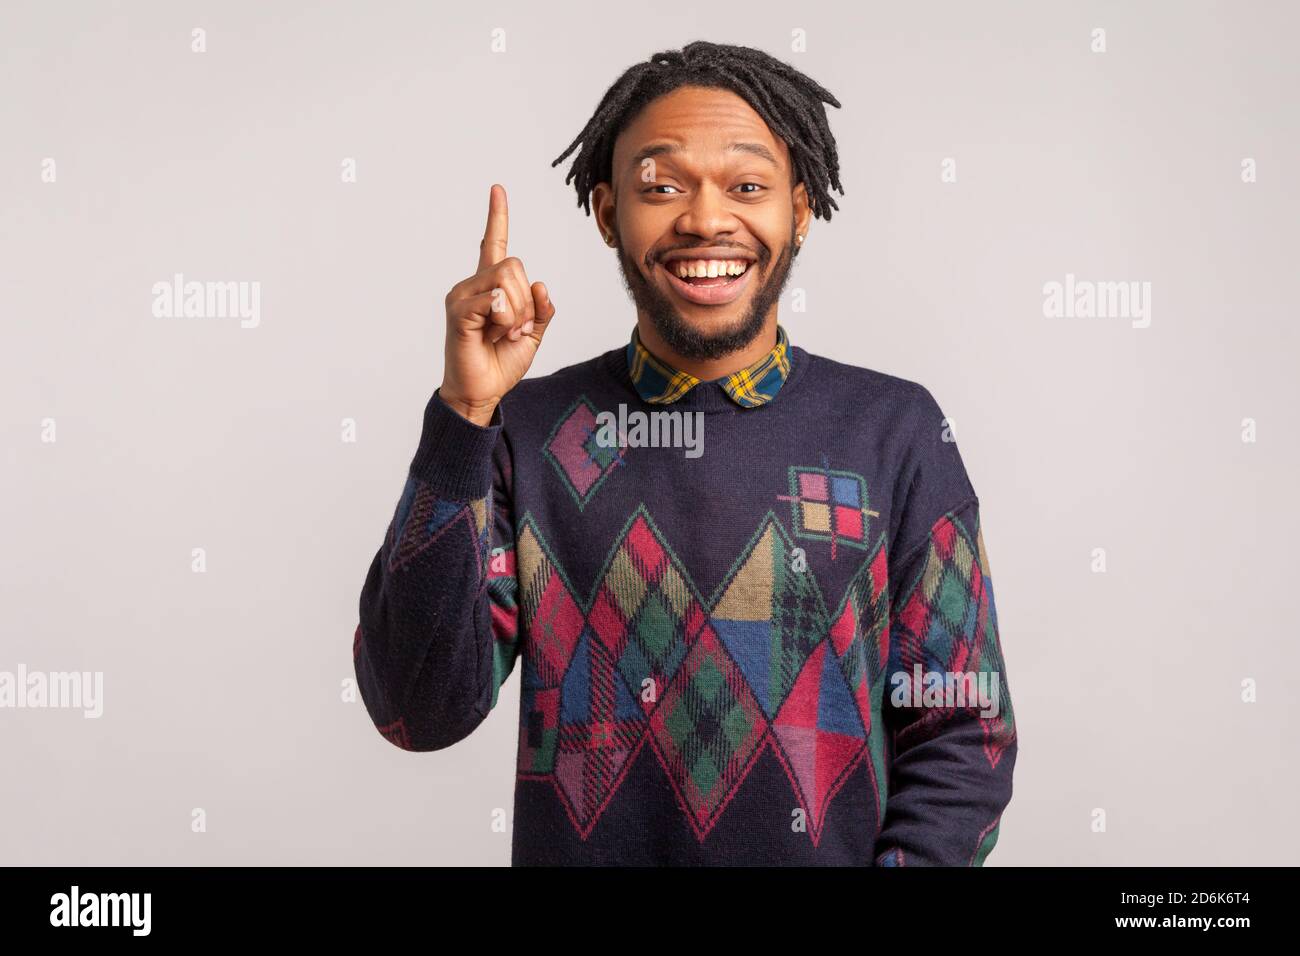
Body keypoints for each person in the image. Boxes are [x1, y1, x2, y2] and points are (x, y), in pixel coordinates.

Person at [353, 40, 1017, 866]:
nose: (705, 219)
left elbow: (964, 727)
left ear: (800, 209)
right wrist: (463, 415)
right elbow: (417, 710)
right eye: (661, 187)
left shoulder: (894, 430)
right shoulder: (526, 431)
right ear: (605, 213)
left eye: (747, 186)